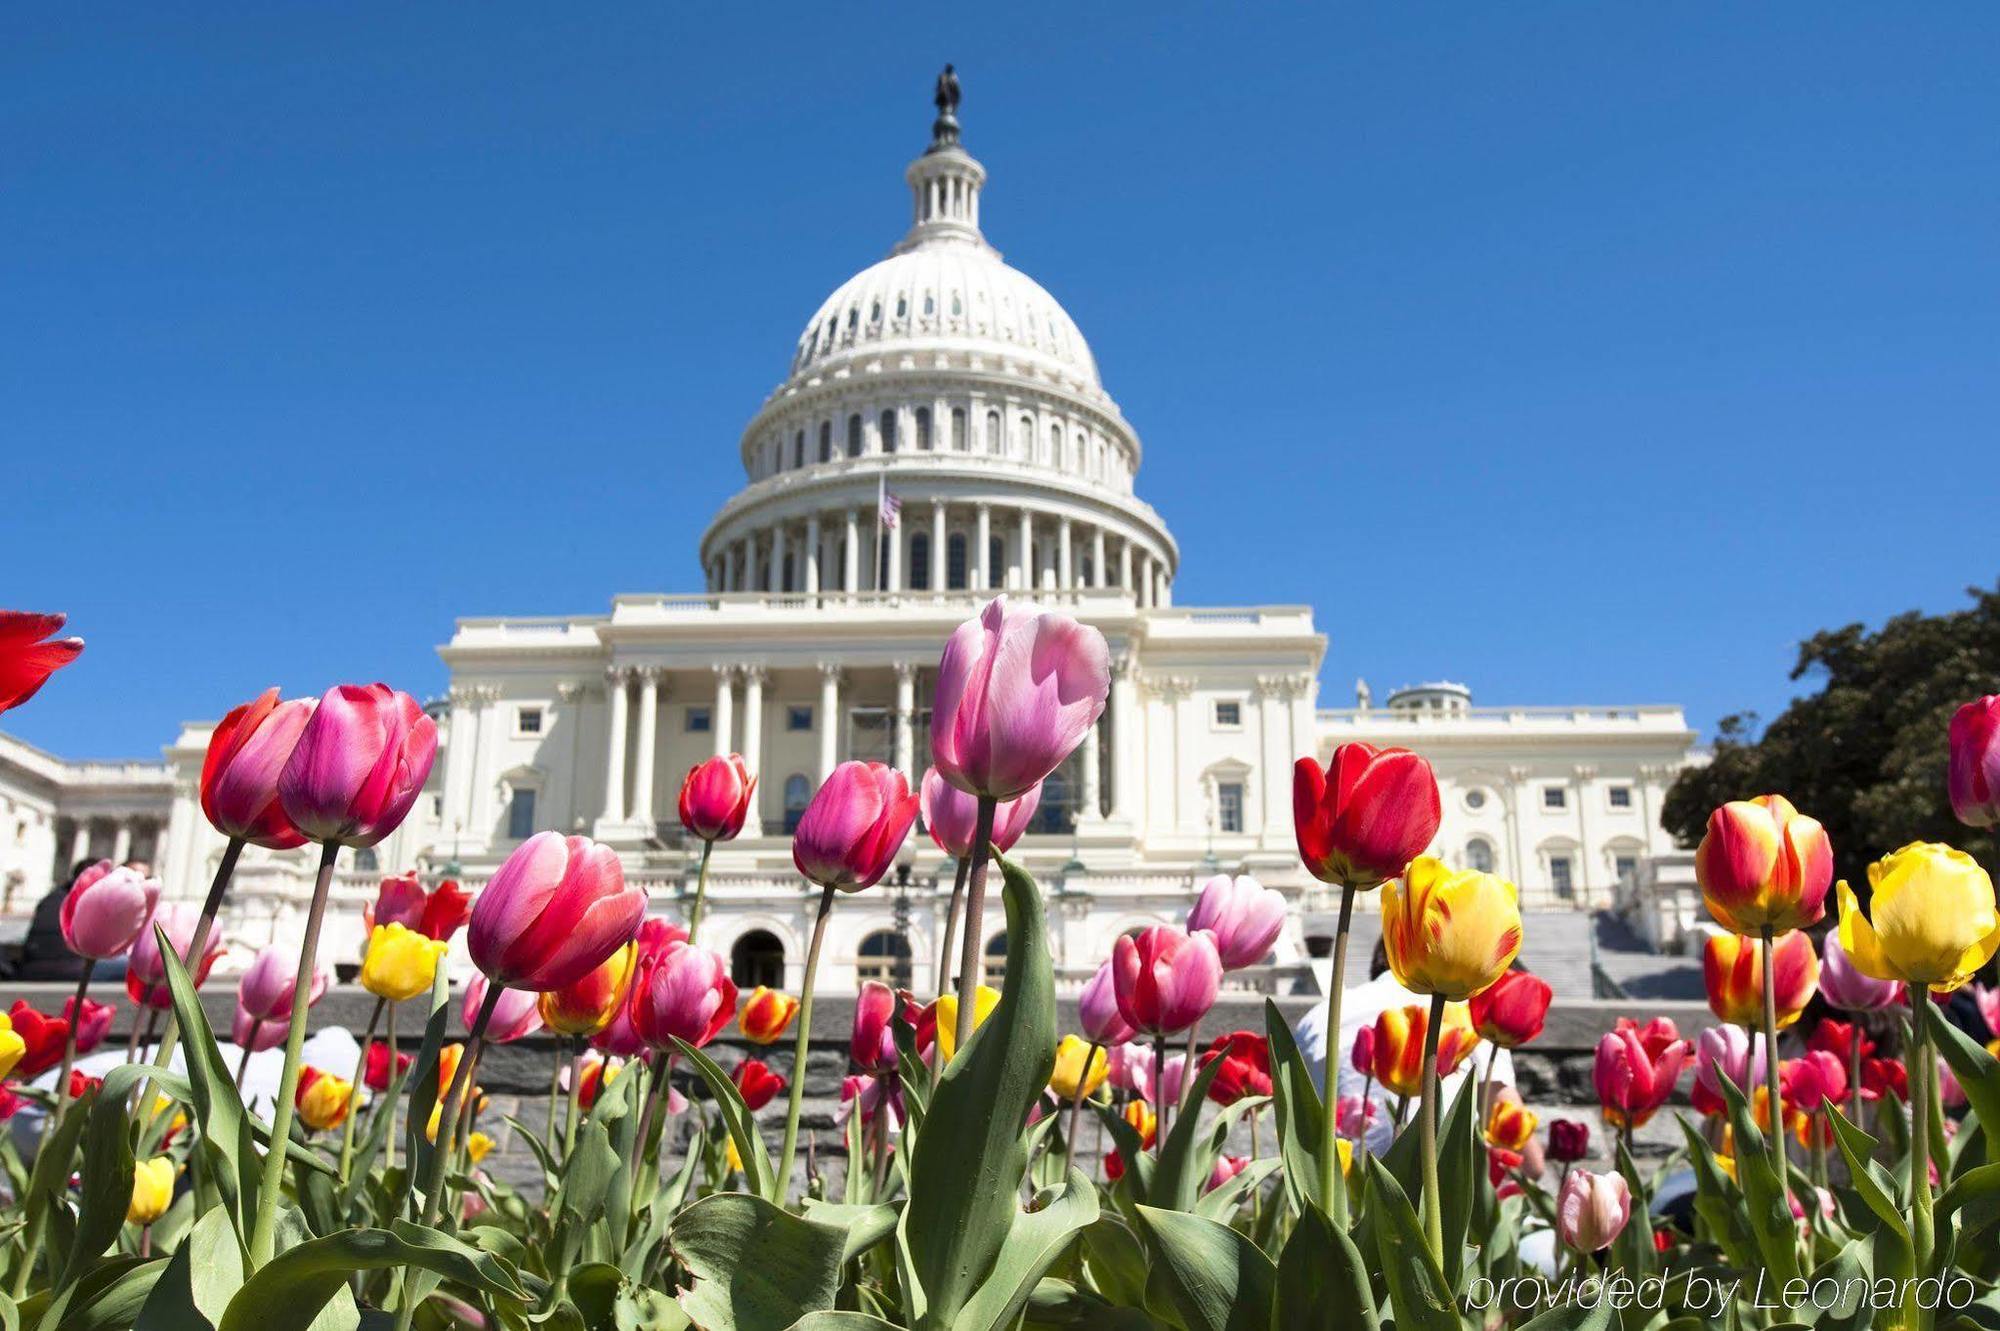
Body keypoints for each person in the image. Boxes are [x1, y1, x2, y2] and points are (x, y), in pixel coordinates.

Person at [1292, 937, 1514, 1153]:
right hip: (1442, 1180)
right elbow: (1510, 1127)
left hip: (1339, 1179)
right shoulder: (1470, 1016)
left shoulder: (1319, 1016)